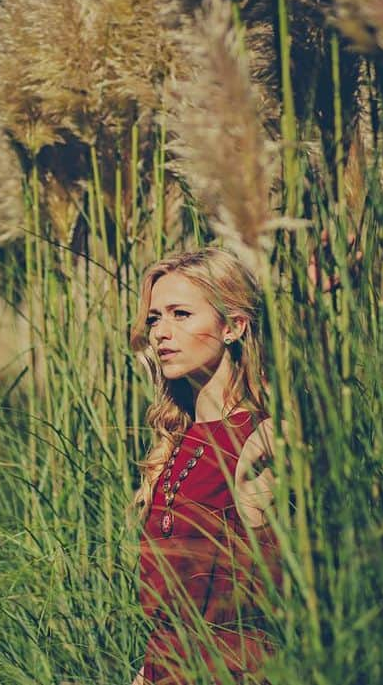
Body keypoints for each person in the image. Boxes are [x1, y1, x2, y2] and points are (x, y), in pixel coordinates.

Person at [128, 247, 282, 685]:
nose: (161, 332)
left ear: (233, 326)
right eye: (155, 317)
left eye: (181, 314)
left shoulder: (261, 437)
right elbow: (169, 604)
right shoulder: (174, 441)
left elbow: (262, 602)